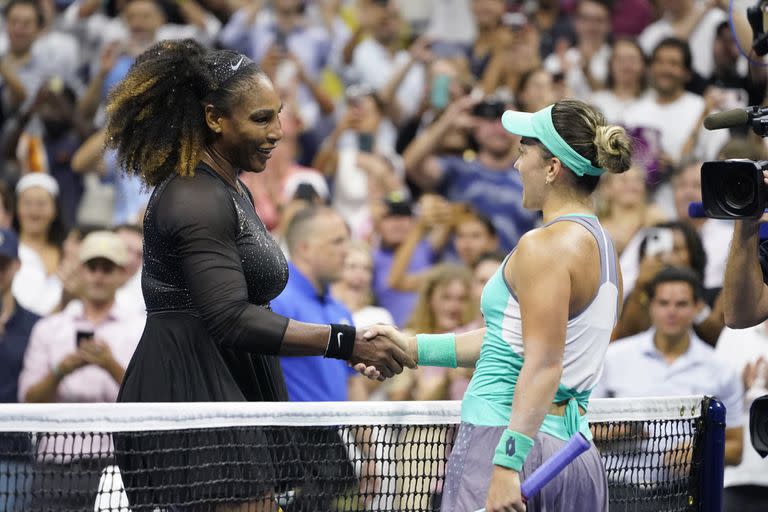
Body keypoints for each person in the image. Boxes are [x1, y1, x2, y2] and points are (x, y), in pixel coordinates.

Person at [104, 39, 414, 511]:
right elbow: (229, 317)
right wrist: (345, 342)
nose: (278, 132)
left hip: (228, 386)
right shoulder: (195, 197)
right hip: (190, 394)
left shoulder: (230, 188)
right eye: (261, 118)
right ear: (213, 118)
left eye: (279, 114)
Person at [364, 98, 632, 511]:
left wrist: (507, 465)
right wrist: (413, 348)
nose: (515, 164)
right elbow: (514, 339)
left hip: (508, 445)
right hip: (572, 456)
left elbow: (543, 364)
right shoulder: (605, 248)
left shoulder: (544, 245)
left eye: (523, 152)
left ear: (552, 168)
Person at [17, 230, 143, 510]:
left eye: (107, 268)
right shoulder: (49, 328)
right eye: (91, 266)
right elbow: (28, 400)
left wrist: (109, 365)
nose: (98, 275)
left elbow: (146, 399)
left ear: (122, 273)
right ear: (81, 270)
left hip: (116, 465)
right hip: (55, 464)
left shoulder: (139, 329)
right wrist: (62, 370)